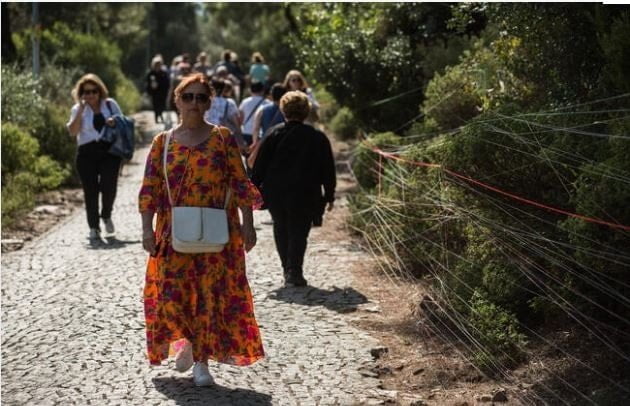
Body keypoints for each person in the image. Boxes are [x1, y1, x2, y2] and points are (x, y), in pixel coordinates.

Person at [138, 73, 264, 386]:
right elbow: (150, 188)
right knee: (172, 295)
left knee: (210, 296)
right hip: (171, 229)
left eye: (201, 97)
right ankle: (190, 341)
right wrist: (146, 230)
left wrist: (249, 225)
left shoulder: (223, 138)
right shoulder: (161, 142)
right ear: (177, 100)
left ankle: (202, 363)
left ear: (210, 102)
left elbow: (239, 182)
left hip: (218, 229)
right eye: (189, 96)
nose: (195, 103)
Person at [251, 91, 336, 287]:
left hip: (276, 192)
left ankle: (286, 268)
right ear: (306, 112)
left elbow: (260, 166)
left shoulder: (274, 134)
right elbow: (327, 168)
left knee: (281, 227)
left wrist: (253, 189)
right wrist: (329, 195)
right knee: (299, 230)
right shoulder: (317, 137)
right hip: (306, 192)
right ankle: (294, 270)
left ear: (283, 110)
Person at [66, 73, 124, 240]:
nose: (90, 95)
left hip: (109, 152)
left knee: (109, 187)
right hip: (86, 153)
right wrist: (81, 111)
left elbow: (123, 122)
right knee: (90, 191)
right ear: (81, 94)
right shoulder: (78, 109)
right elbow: (73, 131)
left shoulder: (110, 105)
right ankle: (93, 227)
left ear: (100, 91)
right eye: (86, 92)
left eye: (93, 91)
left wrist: (115, 121)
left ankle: (106, 215)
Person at [204, 79, 244, 150]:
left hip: (205, 135)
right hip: (222, 136)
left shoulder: (204, 101)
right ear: (223, 89)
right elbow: (236, 123)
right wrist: (240, 136)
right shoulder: (229, 103)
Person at [239, 80, 270, 147]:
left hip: (246, 132)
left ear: (250, 90)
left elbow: (241, 119)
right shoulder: (267, 103)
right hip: (260, 134)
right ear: (262, 90)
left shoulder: (245, 102)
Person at [146, 55, 171, 124]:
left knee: (162, 105)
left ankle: (160, 114)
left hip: (163, 92)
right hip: (154, 93)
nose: (158, 65)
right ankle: (156, 116)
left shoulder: (164, 73)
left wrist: (167, 90)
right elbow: (147, 82)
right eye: (156, 64)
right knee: (155, 105)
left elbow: (167, 82)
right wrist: (150, 89)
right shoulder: (151, 73)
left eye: (159, 64)